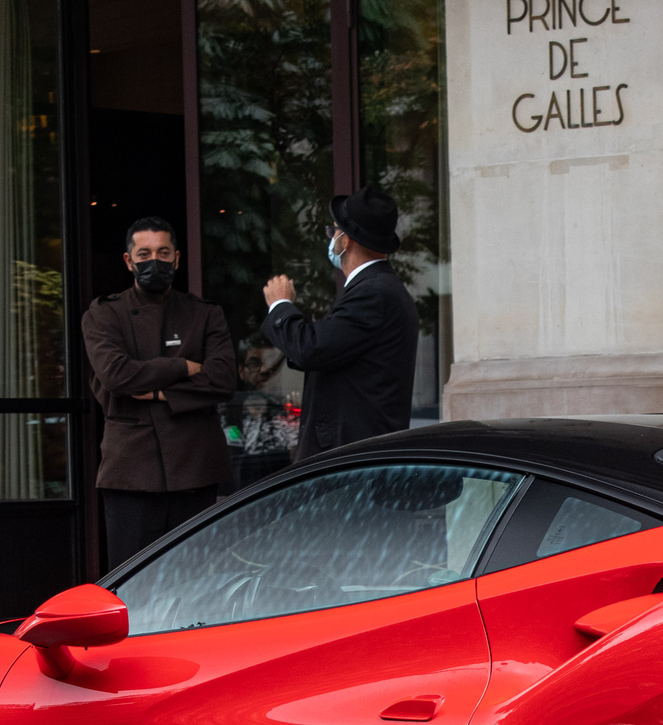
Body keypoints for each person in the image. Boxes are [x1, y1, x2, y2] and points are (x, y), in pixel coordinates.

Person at [82, 217, 235, 564]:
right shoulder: (105, 314)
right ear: (129, 260)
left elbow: (223, 379)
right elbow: (116, 375)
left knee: (195, 576)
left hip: (196, 465)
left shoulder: (205, 313)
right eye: (145, 253)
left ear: (177, 258)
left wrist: (154, 392)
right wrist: (182, 367)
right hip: (131, 470)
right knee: (134, 582)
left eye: (163, 252)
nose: (155, 261)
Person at [261, 183, 419, 462]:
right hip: (356, 455)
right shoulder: (377, 288)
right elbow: (330, 350)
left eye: (333, 230)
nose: (331, 238)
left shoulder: (373, 292)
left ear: (345, 241)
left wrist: (280, 305)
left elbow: (311, 348)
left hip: (351, 459)